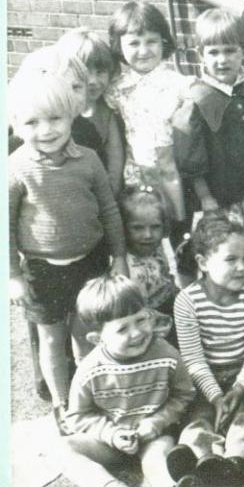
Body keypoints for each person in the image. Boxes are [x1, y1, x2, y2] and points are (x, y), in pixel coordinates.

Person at [8, 69, 129, 434]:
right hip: (42, 271)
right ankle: (63, 405)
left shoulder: (89, 159)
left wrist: (119, 255)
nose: (46, 130)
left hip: (90, 263)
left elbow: (108, 210)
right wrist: (12, 275)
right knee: (51, 339)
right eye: (32, 122)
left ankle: (88, 399)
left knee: (86, 336)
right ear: (14, 124)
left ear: (71, 115)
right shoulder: (15, 168)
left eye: (55, 118)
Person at [58, 275, 194, 487]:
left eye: (141, 320)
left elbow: (184, 394)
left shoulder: (167, 355)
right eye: (122, 329)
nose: (137, 332)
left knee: (157, 460)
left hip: (154, 437)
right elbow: (77, 415)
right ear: (97, 338)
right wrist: (112, 434)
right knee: (62, 449)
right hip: (110, 441)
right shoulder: (90, 370)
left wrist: (156, 423)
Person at [171, 211, 244, 485]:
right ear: (203, 262)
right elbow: (193, 359)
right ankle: (199, 458)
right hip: (206, 378)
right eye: (231, 259)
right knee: (198, 415)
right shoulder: (186, 301)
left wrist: (240, 388)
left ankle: (238, 460)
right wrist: (216, 397)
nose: (242, 267)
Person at [175, 9, 244, 214]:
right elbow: (192, 160)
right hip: (221, 196)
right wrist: (205, 197)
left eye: (229, 50)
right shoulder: (198, 98)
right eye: (213, 52)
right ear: (201, 54)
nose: (222, 60)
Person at [105, 1, 192, 224]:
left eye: (151, 41)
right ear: (119, 46)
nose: (144, 51)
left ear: (163, 42)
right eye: (134, 43)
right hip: (136, 174)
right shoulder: (116, 90)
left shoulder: (179, 86)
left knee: (176, 224)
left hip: (174, 174)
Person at [55, 27, 127, 196]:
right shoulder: (59, 110)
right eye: (85, 72)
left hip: (100, 190)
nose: (93, 81)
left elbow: (115, 161)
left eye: (100, 72)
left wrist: (110, 196)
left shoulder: (106, 111)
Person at [119, 186, 179, 342]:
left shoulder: (159, 249)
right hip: (137, 321)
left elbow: (167, 278)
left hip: (166, 310)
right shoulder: (123, 259)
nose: (148, 235)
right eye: (138, 228)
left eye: (155, 227)